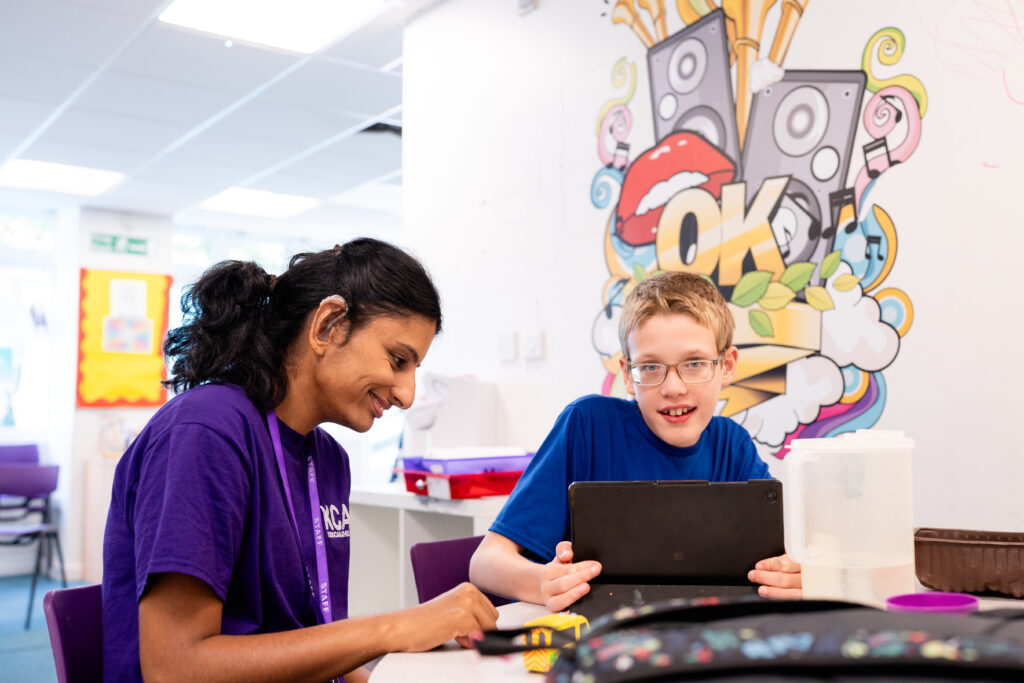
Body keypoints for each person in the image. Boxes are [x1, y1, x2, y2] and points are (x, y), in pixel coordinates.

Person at [102, 238, 498, 683]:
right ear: (328, 324)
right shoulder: (205, 434)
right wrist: (391, 628)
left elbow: (302, 635)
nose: (406, 395)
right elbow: (175, 668)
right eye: (397, 359)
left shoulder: (327, 459)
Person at [469, 271, 802, 612]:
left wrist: (794, 575)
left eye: (695, 363)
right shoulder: (588, 425)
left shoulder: (733, 447)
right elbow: (485, 562)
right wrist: (542, 582)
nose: (674, 387)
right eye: (651, 367)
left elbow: (783, 560)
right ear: (627, 374)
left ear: (727, 366)